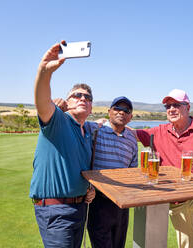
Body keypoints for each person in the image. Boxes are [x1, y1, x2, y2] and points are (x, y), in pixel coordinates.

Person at [134, 89, 193, 248]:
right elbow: (131, 134)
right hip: (176, 195)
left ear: (188, 107)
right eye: (167, 106)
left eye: (176, 105)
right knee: (186, 242)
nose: (171, 109)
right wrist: (108, 124)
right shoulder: (158, 131)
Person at [29, 41, 95, 248]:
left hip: (79, 208)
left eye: (88, 97)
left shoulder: (87, 132)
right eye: (77, 95)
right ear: (67, 102)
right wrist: (44, 71)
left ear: (92, 106)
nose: (83, 98)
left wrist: (89, 187)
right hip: (55, 211)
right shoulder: (58, 120)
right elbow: (42, 101)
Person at [54, 96, 138, 248]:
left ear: (130, 117)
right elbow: (72, 124)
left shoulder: (132, 140)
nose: (121, 112)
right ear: (109, 112)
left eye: (126, 110)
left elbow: (133, 172)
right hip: (98, 201)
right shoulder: (94, 129)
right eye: (117, 108)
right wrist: (61, 110)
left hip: (122, 204)